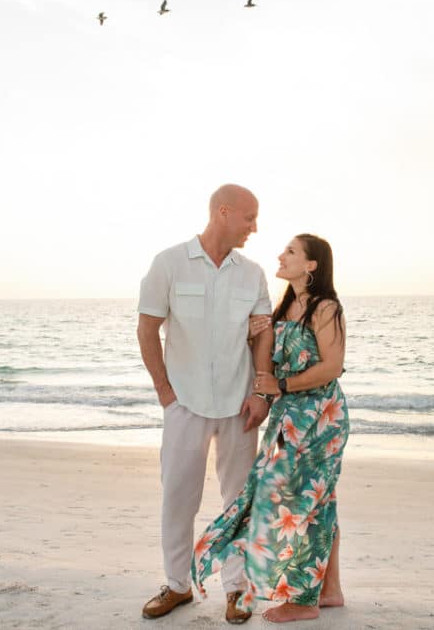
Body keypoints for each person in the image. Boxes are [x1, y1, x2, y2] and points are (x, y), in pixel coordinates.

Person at [191, 233, 349, 623]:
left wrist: (280, 386)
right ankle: (330, 590)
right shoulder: (287, 306)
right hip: (288, 416)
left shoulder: (325, 308)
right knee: (318, 500)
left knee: (301, 504)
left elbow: (332, 367)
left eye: (291, 251)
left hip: (319, 417)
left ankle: (304, 600)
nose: (281, 255)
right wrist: (250, 336)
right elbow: (273, 358)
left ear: (312, 266)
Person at [137, 184, 275, 624]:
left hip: (239, 405)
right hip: (185, 404)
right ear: (223, 212)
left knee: (238, 501)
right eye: (249, 218)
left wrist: (258, 392)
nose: (255, 227)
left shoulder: (252, 273)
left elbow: (262, 335)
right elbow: (147, 329)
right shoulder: (170, 263)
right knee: (178, 497)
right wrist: (165, 392)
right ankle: (178, 586)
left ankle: (237, 589)